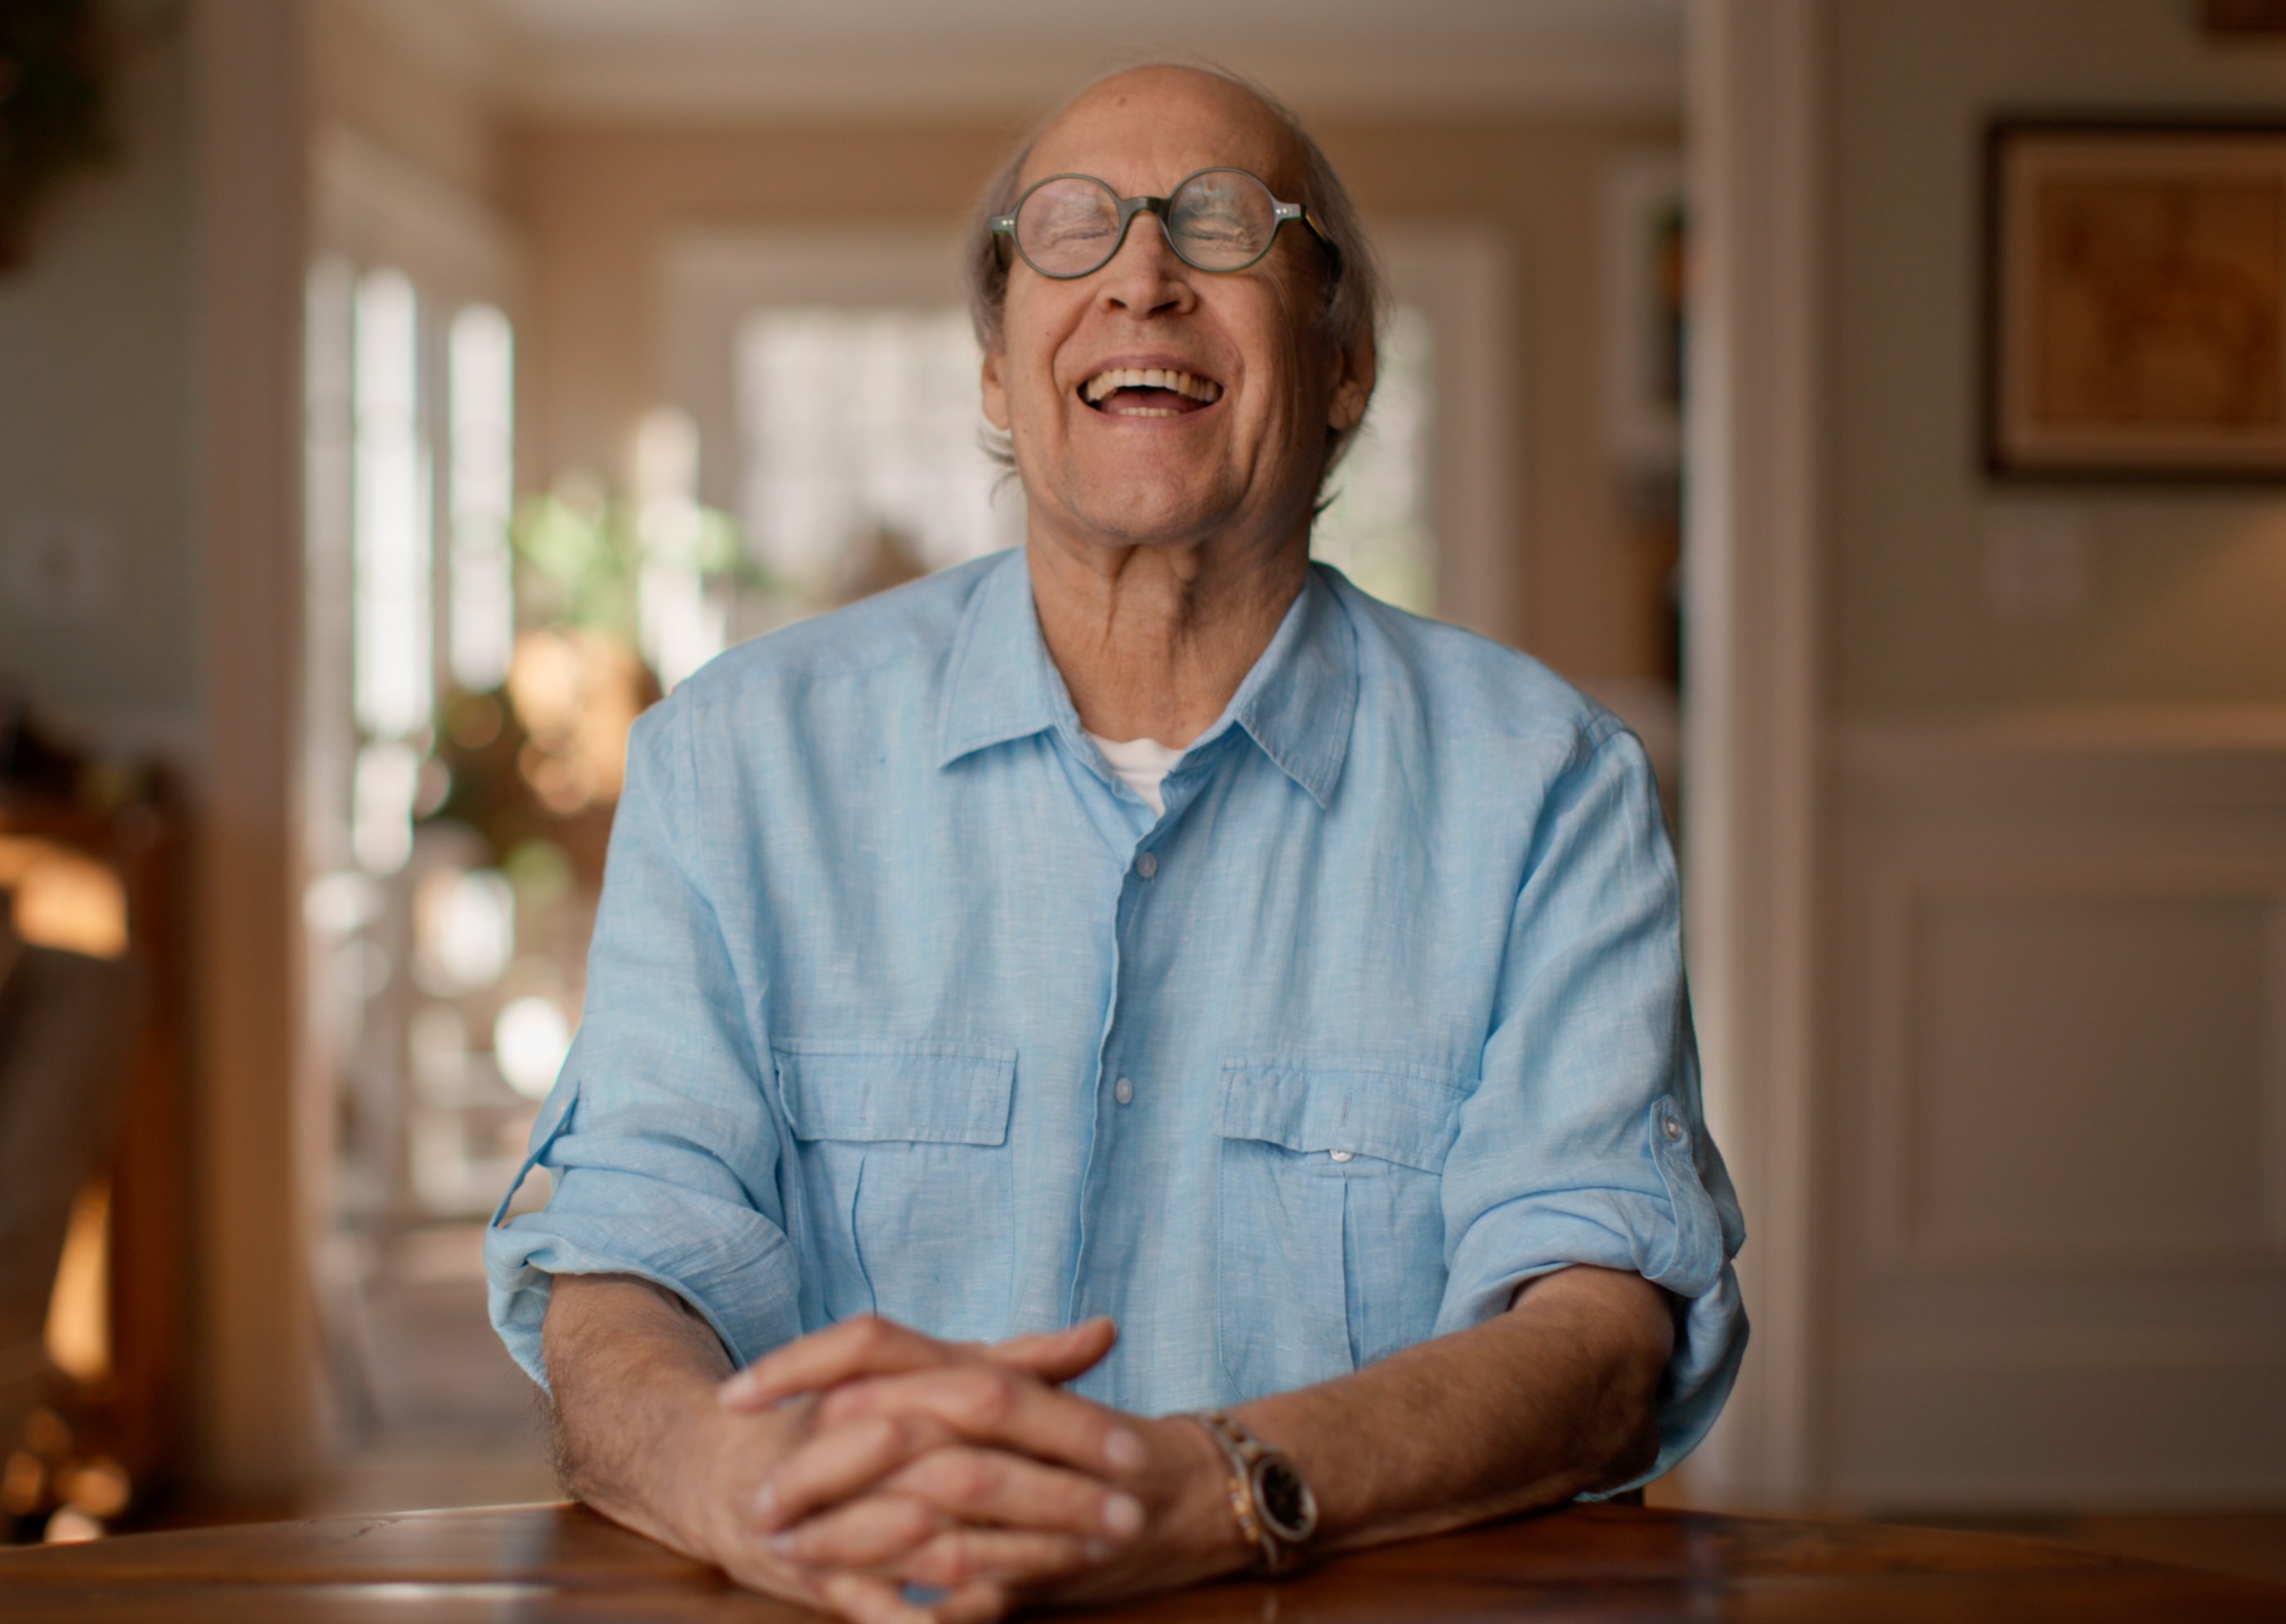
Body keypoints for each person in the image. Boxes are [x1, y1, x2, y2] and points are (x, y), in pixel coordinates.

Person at [486, 62, 1746, 1624]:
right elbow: (625, 1271)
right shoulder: (731, 764)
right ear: (999, 374)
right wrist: (731, 1489)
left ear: (1343, 362)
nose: (1141, 274)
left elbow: (1596, 1336)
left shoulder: (1549, 788)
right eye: (1069, 232)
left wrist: (1217, 1487)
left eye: (1222, 228)